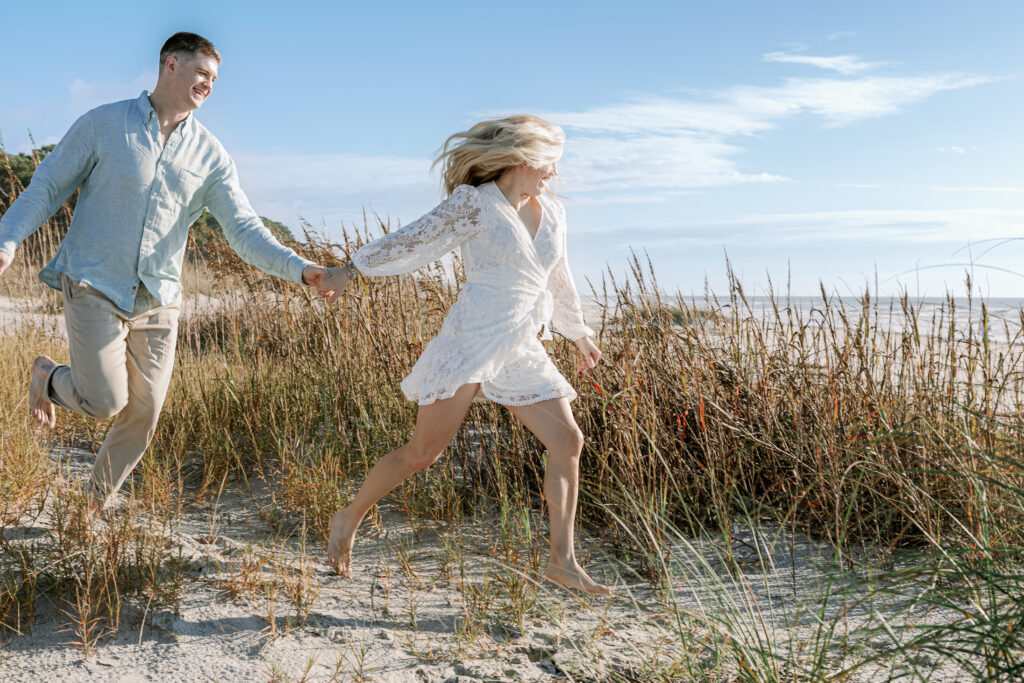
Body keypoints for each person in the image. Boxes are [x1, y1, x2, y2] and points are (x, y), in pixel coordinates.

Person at [0, 32, 330, 508]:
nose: (209, 85)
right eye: (202, 73)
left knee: (145, 412)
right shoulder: (102, 124)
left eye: (215, 79)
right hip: (93, 280)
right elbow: (47, 187)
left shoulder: (212, 156)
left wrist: (302, 269)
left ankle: (91, 506)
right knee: (105, 402)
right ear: (170, 65)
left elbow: (244, 229)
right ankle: (48, 376)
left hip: (159, 299)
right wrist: (9, 237)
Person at [318, 115, 612, 595]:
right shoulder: (474, 204)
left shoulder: (553, 213)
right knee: (423, 453)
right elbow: (414, 238)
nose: (554, 174)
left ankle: (562, 562)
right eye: (551, 163)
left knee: (568, 442)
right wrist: (352, 269)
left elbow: (559, 275)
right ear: (523, 159)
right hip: (471, 339)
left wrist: (578, 333)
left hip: (520, 343)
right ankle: (348, 517)